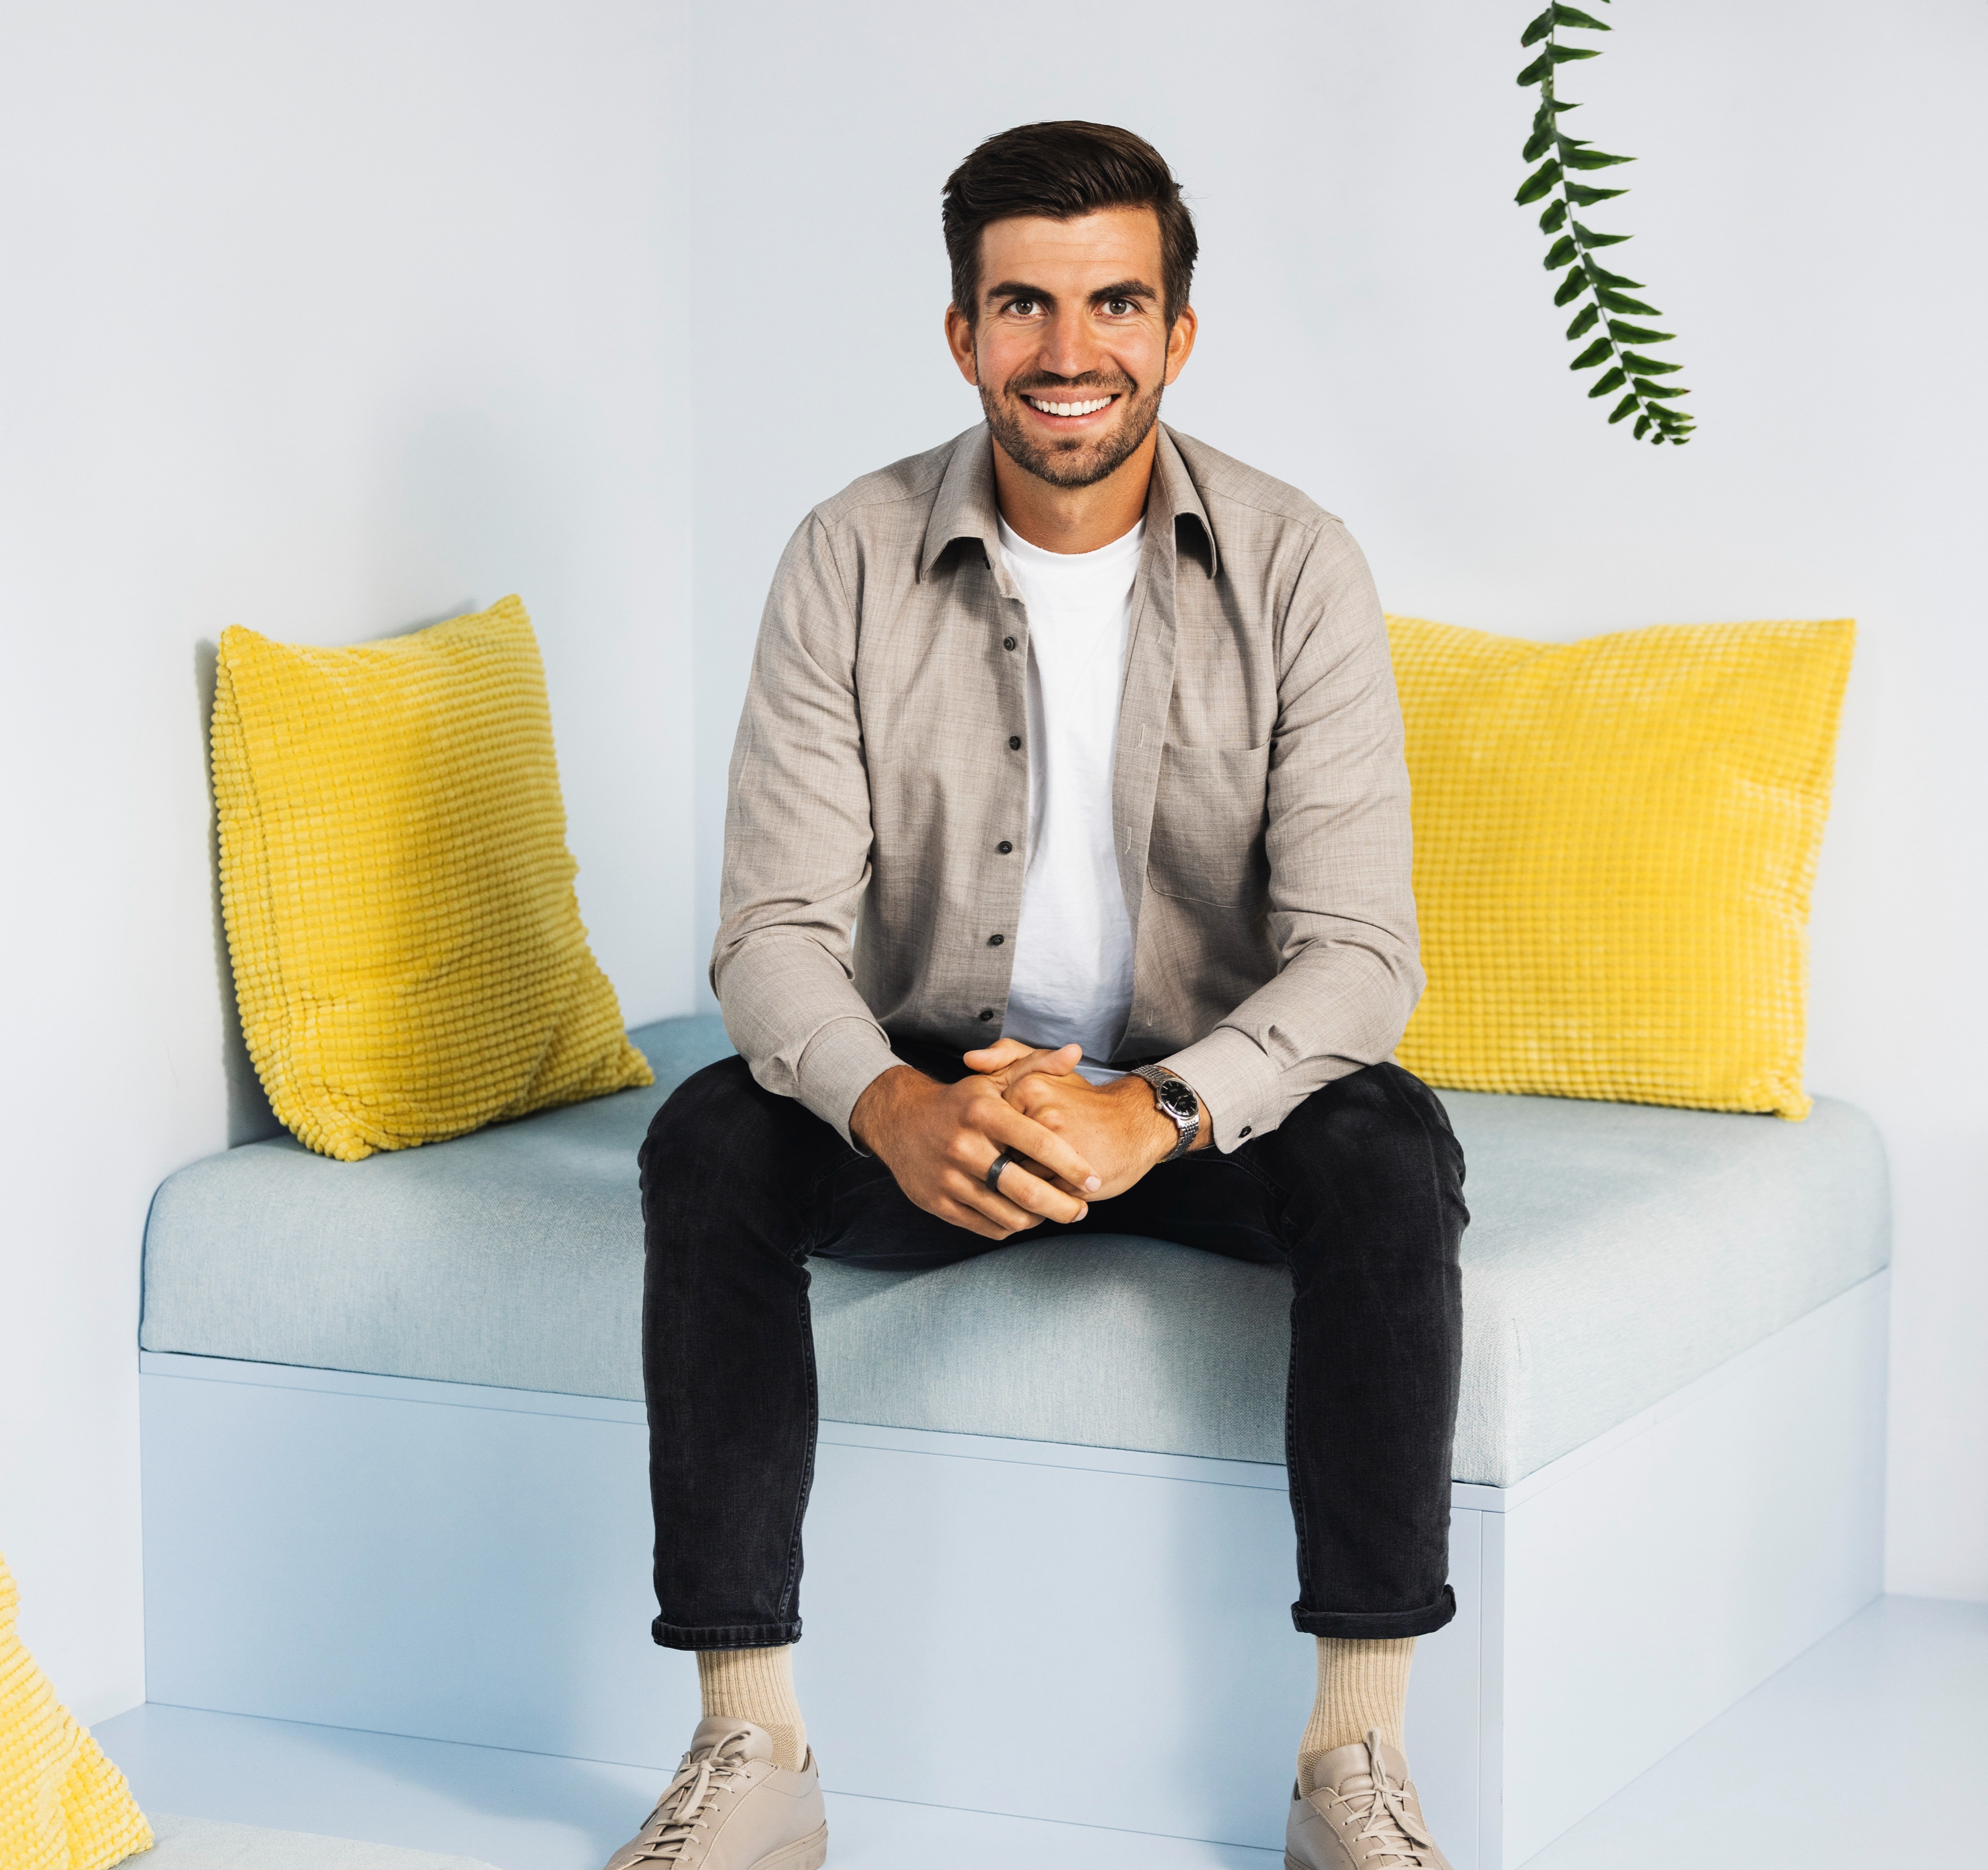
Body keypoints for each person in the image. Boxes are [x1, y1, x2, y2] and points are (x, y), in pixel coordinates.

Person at [607, 121, 1467, 1870]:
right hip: (940, 1088)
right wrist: (890, 1104)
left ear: (1178, 331)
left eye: (1114, 303)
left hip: (1200, 1098)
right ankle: (751, 1744)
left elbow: (1360, 951)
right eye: (1023, 305)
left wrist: (1155, 1109)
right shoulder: (847, 552)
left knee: (1389, 1152)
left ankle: (1355, 1762)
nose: (1069, 351)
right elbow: (770, 929)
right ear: (963, 332)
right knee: (708, 1138)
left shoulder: (1296, 560)